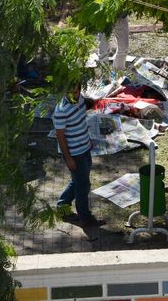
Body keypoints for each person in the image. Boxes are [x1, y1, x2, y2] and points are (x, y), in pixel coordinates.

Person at [55, 83, 101, 227]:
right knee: (83, 185)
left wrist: (87, 142)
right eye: (70, 93)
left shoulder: (80, 99)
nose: (73, 96)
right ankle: (85, 217)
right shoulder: (61, 111)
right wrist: (68, 158)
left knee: (78, 181)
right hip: (74, 154)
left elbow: (82, 121)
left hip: (85, 148)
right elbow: (60, 137)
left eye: (75, 92)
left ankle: (62, 206)